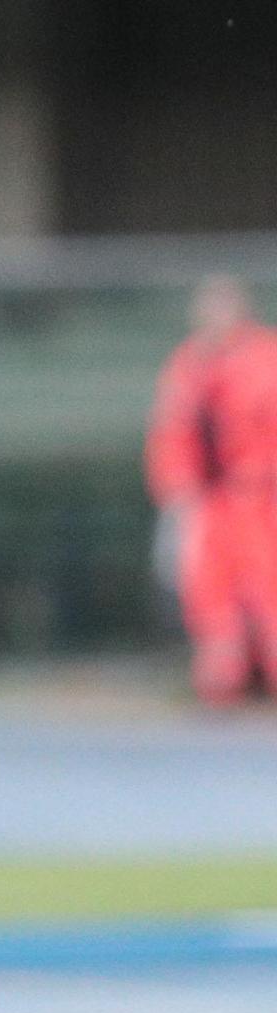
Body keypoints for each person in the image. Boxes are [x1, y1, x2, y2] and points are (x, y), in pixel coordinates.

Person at [146, 275, 277, 706]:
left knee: (268, 586)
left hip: (262, 496)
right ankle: (224, 676)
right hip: (211, 501)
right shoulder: (188, 365)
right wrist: (178, 492)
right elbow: (171, 434)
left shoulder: (266, 357)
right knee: (209, 593)